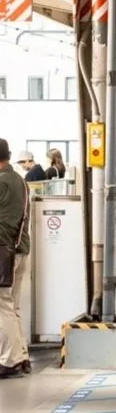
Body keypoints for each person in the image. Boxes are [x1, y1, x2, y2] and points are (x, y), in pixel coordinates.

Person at [0, 140, 31, 379]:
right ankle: (22, 357)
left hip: (4, 252)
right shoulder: (20, 180)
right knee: (13, 306)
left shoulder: (1, 182)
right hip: (20, 249)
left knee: (3, 306)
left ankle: (10, 361)